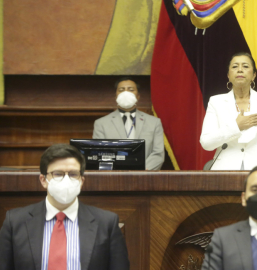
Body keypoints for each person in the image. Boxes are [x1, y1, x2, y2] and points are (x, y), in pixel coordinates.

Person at [0, 144, 129, 269]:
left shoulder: (106, 223)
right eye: (58, 174)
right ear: (43, 180)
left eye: (73, 174)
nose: (66, 180)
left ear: (81, 181)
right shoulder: (15, 222)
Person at [200, 52, 257, 170]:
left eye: (245, 66)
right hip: (225, 171)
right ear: (228, 75)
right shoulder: (216, 102)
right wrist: (236, 126)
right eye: (235, 66)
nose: (240, 70)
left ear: (254, 75)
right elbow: (206, 143)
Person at [93, 77, 165, 170]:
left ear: (138, 96)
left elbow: (158, 153)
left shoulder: (154, 122)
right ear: (116, 96)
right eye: (121, 90)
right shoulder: (101, 123)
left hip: (145, 176)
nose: (126, 93)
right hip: (114, 177)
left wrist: (142, 170)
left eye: (131, 90)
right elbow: (99, 153)